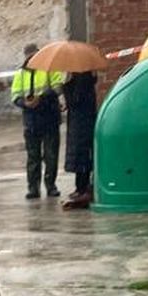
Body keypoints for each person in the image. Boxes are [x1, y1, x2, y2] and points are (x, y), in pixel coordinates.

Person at [11, 47, 63, 199]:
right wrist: (25, 103)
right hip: (31, 121)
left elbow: (58, 88)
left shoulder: (49, 70)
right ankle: (33, 188)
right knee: (33, 157)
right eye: (30, 57)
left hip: (49, 118)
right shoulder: (20, 74)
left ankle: (51, 186)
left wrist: (41, 98)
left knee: (51, 155)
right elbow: (15, 96)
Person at [62, 70, 97, 210]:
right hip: (81, 121)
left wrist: (65, 85)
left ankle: (82, 188)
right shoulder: (86, 78)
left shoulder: (81, 79)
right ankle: (80, 187)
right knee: (81, 155)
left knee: (81, 155)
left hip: (81, 122)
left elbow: (74, 100)